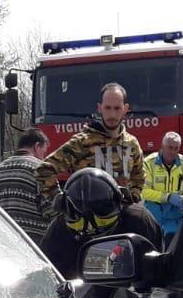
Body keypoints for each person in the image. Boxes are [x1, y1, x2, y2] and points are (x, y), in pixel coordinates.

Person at [37, 82, 146, 211]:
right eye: (107, 108)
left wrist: (132, 198)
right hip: (88, 221)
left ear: (125, 109)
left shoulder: (132, 144)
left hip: (121, 218)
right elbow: (44, 170)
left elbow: (139, 177)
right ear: (99, 108)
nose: (112, 114)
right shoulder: (82, 142)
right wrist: (61, 201)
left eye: (117, 108)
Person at [41, 167, 162, 280]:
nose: (89, 228)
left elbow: (156, 271)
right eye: (80, 221)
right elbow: (46, 276)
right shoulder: (58, 230)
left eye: (99, 218)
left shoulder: (138, 220)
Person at [0, 127, 52, 243]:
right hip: (35, 247)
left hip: (4, 244)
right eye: (43, 151)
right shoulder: (42, 171)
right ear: (36, 146)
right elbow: (52, 211)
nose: (43, 157)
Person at [141, 131, 183, 245]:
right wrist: (167, 197)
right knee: (152, 249)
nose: (173, 151)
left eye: (176, 148)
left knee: (172, 249)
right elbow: (144, 191)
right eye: (170, 148)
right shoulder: (149, 163)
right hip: (153, 216)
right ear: (162, 147)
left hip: (174, 217)